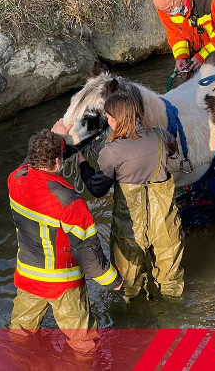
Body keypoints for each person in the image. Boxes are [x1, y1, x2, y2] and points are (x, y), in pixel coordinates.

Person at [8, 128, 123, 353]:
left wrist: (54, 134)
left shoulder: (15, 180)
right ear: (59, 162)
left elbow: (26, 164)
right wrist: (113, 280)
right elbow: (88, 253)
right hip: (63, 284)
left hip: (28, 277)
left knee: (20, 335)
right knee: (84, 344)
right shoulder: (70, 203)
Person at [78, 91, 184, 301]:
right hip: (165, 221)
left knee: (128, 281)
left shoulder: (112, 152)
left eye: (108, 116)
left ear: (114, 119)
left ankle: (133, 321)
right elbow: (174, 151)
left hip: (130, 227)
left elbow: (97, 188)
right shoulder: (161, 135)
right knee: (170, 277)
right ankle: (173, 317)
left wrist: (82, 164)